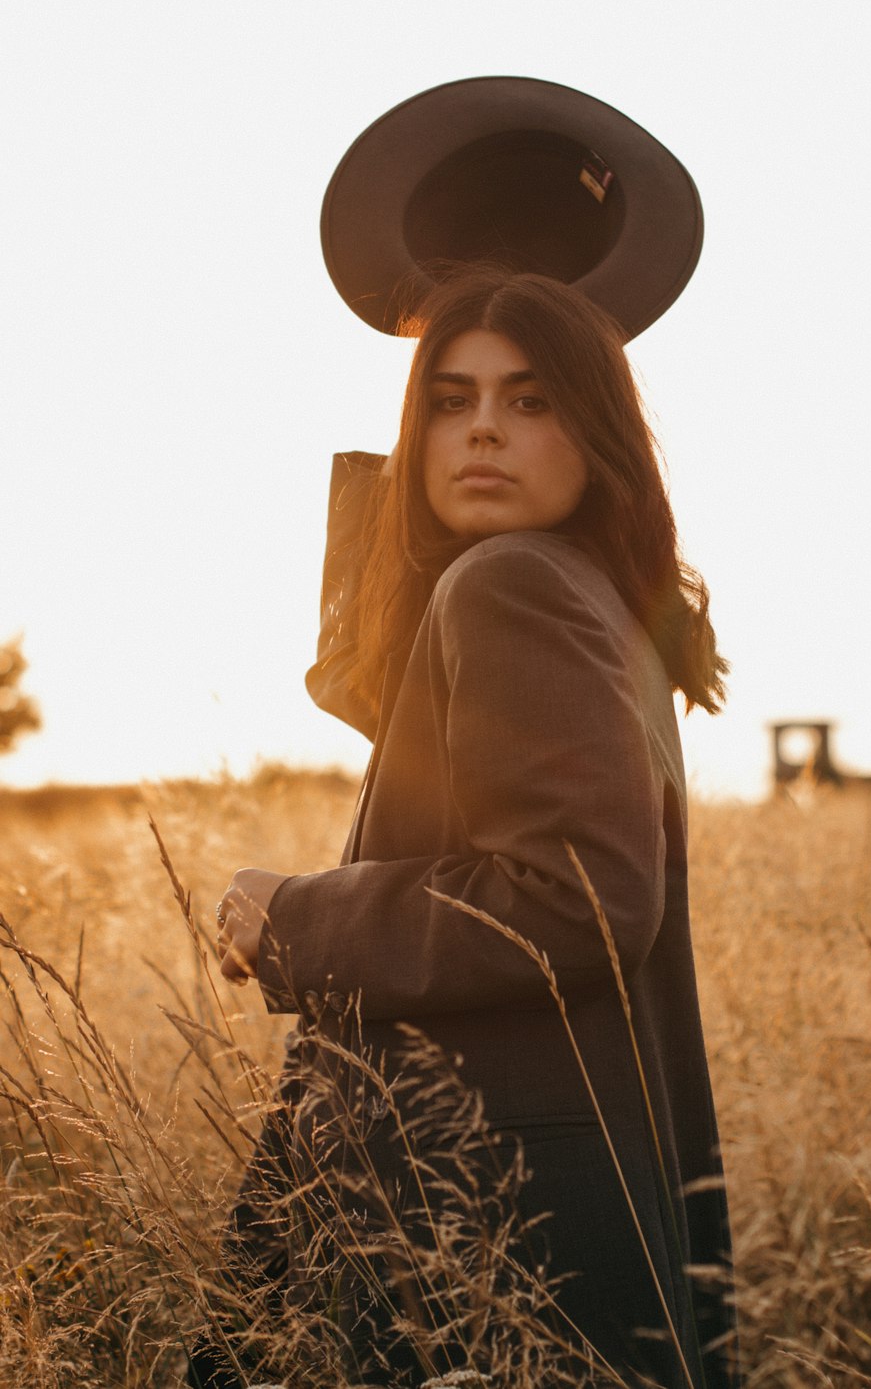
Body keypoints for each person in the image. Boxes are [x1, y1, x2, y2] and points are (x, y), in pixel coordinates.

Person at [203, 266, 738, 1389]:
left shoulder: (512, 584)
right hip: (575, 1182)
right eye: (448, 401)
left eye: (531, 400)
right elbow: (384, 695)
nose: (483, 429)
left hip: (493, 1202)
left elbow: (574, 896)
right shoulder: (596, 596)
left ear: (595, 431)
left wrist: (295, 917)